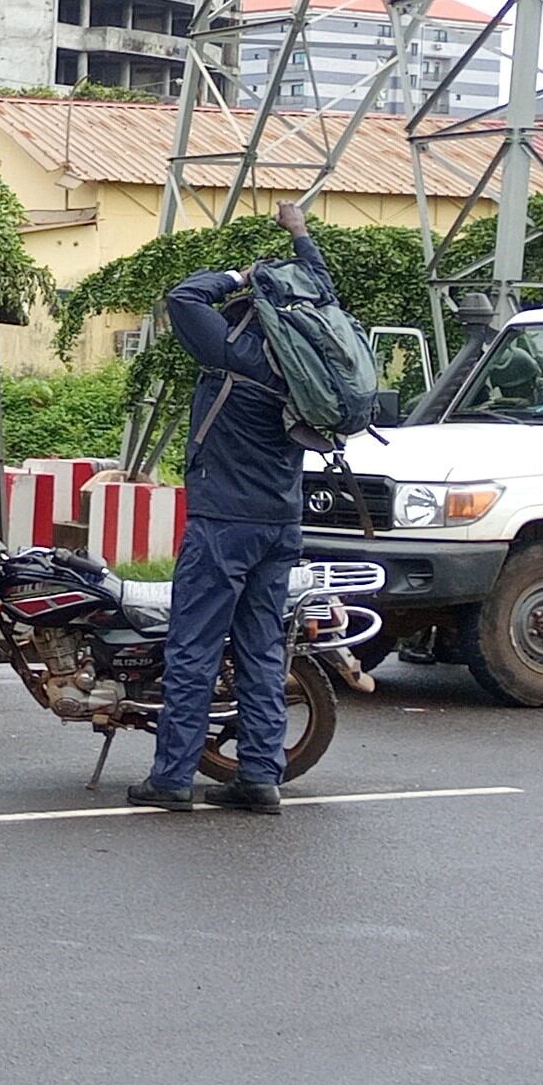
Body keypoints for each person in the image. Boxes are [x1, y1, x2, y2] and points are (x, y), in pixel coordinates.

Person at [134, 200, 332, 816]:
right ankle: (260, 776)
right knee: (262, 648)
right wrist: (300, 235)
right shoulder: (308, 359)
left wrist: (240, 275)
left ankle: (172, 778)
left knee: (194, 645)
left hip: (224, 523)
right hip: (281, 520)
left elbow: (183, 297)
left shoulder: (236, 353)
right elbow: (322, 284)